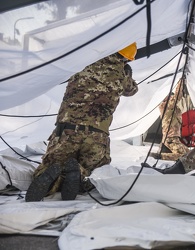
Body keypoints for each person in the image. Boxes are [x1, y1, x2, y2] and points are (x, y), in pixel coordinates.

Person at [25, 42, 139, 202]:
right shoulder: (122, 76)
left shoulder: (82, 62)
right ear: (126, 59)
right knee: (96, 174)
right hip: (96, 138)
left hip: (66, 132)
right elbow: (132, 90)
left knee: (49, 166)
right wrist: (127, 73)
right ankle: (79, 176)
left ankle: (52, 177)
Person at [150, 77, 189, 161]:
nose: (171, 97)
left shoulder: (170, 107)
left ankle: (163, 153)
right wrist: (181, 81)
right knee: (185, 156)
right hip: (171, 139)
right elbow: (177, 95)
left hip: (172, 138)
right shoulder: (166, 105)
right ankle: (160, 156)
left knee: (189, 153)